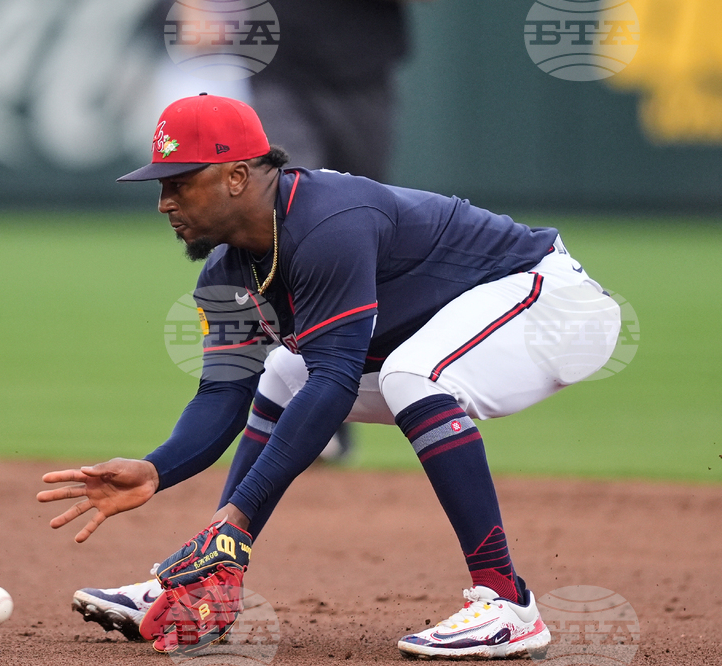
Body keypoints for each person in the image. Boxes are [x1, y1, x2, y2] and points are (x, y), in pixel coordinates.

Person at [38, 94, 620, 659]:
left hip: (556, 307)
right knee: (285, 372)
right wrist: (157, 468)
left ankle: (507, 605)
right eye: (162, 186)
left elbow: (337, 381)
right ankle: (205, 576)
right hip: (467, 322)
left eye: (180, 182)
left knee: (412, 376)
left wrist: (234, 520)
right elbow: (221, 395)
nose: (165, 202)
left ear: (237, 176)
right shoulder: (225, 274)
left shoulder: (327, 224)